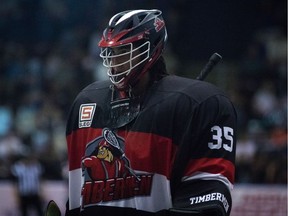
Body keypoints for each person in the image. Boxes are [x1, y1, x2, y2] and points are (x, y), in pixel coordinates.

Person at [65, 9, 237, 216]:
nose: (114, 62)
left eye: (123, 51)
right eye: (111, 52)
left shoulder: (199, 103)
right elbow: (79, 196)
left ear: (150, 49)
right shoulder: (87, 101)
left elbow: (210, 199)